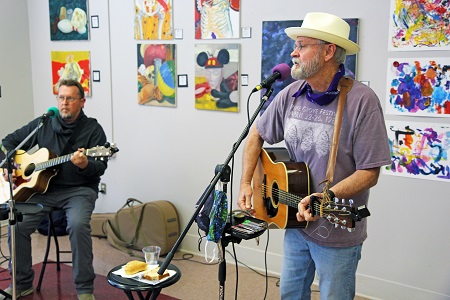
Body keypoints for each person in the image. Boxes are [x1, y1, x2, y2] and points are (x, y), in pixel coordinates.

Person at [237, 12, 391, 300]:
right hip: (295, 224)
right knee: (290, 294)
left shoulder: (361, 102)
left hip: (337, 230)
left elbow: (370, 171)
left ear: (329, 51)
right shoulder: (291, 93)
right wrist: (246, 182)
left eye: (302, 45)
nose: (293, 53)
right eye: (296, 45)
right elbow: (256, 134)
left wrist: (327, 197)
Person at [1, 79, 108, 300]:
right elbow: (8, 142)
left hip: (79, 190)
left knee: (78, 225)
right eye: (61, 98)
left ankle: (85, 290)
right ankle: (21, 283)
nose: (64, 103)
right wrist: (9, 165)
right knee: (17, 225)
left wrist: (86, 164)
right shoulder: (44, 123)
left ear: (81, 102)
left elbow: (100, 167)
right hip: (42, 190)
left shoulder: (93, 130)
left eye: (70, 98)